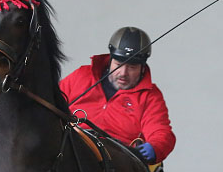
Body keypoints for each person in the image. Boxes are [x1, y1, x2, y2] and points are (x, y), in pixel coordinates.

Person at [59, 26, 176, 163]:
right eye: (118, 64)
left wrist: (155, 147)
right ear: (110, 60)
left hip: (118, 160)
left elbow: (161, 133)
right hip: (71, 149)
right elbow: (53, 102)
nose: (123, 73)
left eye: (132, 67)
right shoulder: (82, 76)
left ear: (142, 67)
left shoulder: (150, 96)